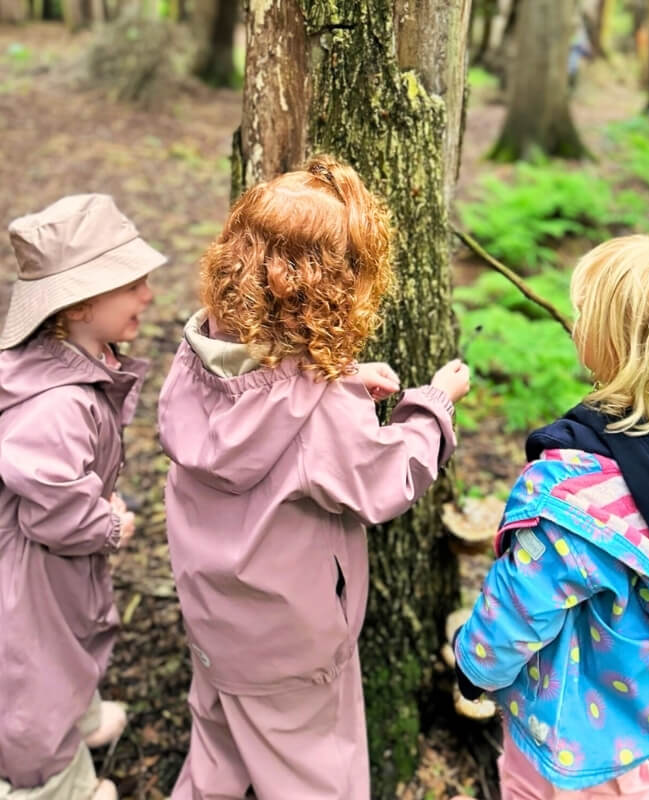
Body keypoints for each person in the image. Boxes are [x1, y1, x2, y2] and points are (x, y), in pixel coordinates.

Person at [159, 154, 471, 800]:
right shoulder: (324, 411)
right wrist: (431, 408)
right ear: (336, 289)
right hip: (291, 647)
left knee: (217, 740)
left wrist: (343, 377)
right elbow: (384, 480)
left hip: (213, 617)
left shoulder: (196, 360)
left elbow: (263, 397)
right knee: (314, 771)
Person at [451, 235, 649, 800]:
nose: (576, 319)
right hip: (637, 710)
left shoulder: (579, 501)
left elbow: (523, 605)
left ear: (620, 349)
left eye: (588, 314)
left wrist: (474, 667)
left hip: (559, 728)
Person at [0, 194, 167, 800]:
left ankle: (78, 718)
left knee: (67, 643)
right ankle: (54, 787)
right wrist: (104, 524)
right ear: (79, 304)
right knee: (30, 687)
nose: (148, 295)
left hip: (48, 567)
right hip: (17, 580)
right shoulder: (56, 403)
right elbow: (50, 496)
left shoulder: (79, 362)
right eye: (133, 285)